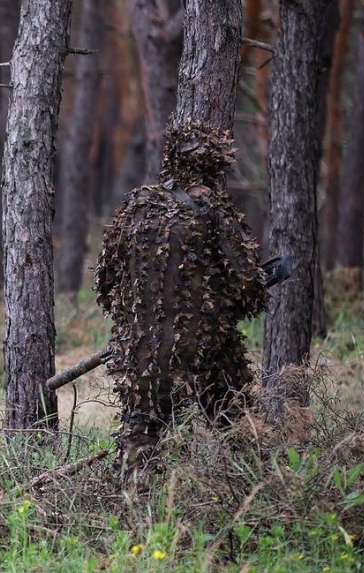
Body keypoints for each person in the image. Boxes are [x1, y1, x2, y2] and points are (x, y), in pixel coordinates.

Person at [94, 118, 268, 488]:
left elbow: (105, 280)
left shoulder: (136, 206)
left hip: (138, 350)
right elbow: (250, 282)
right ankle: (254, 497)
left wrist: (132, 324)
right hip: (204, 348)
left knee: (140, 436)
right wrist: (224, 312)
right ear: (214, 165)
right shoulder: (213, 209)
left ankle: (131, 511)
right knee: (236, 425)